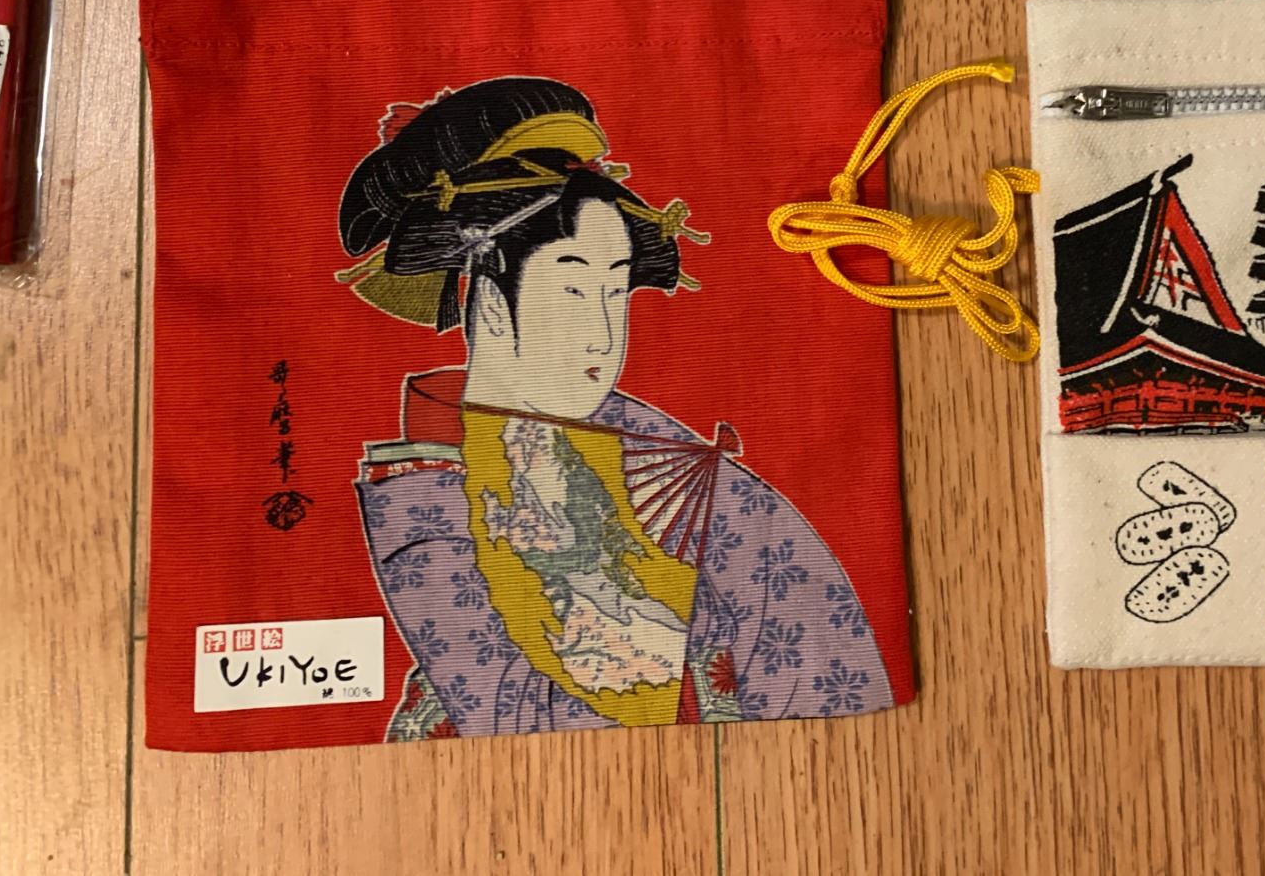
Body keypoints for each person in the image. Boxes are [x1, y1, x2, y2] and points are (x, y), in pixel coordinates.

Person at [337, 77, 893, 738]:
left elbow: (802, 608)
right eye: (573, 290)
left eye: (616, 292)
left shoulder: (645, 443)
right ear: (489, 302)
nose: (604, 335)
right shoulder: (424, 503)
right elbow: (512, 704)